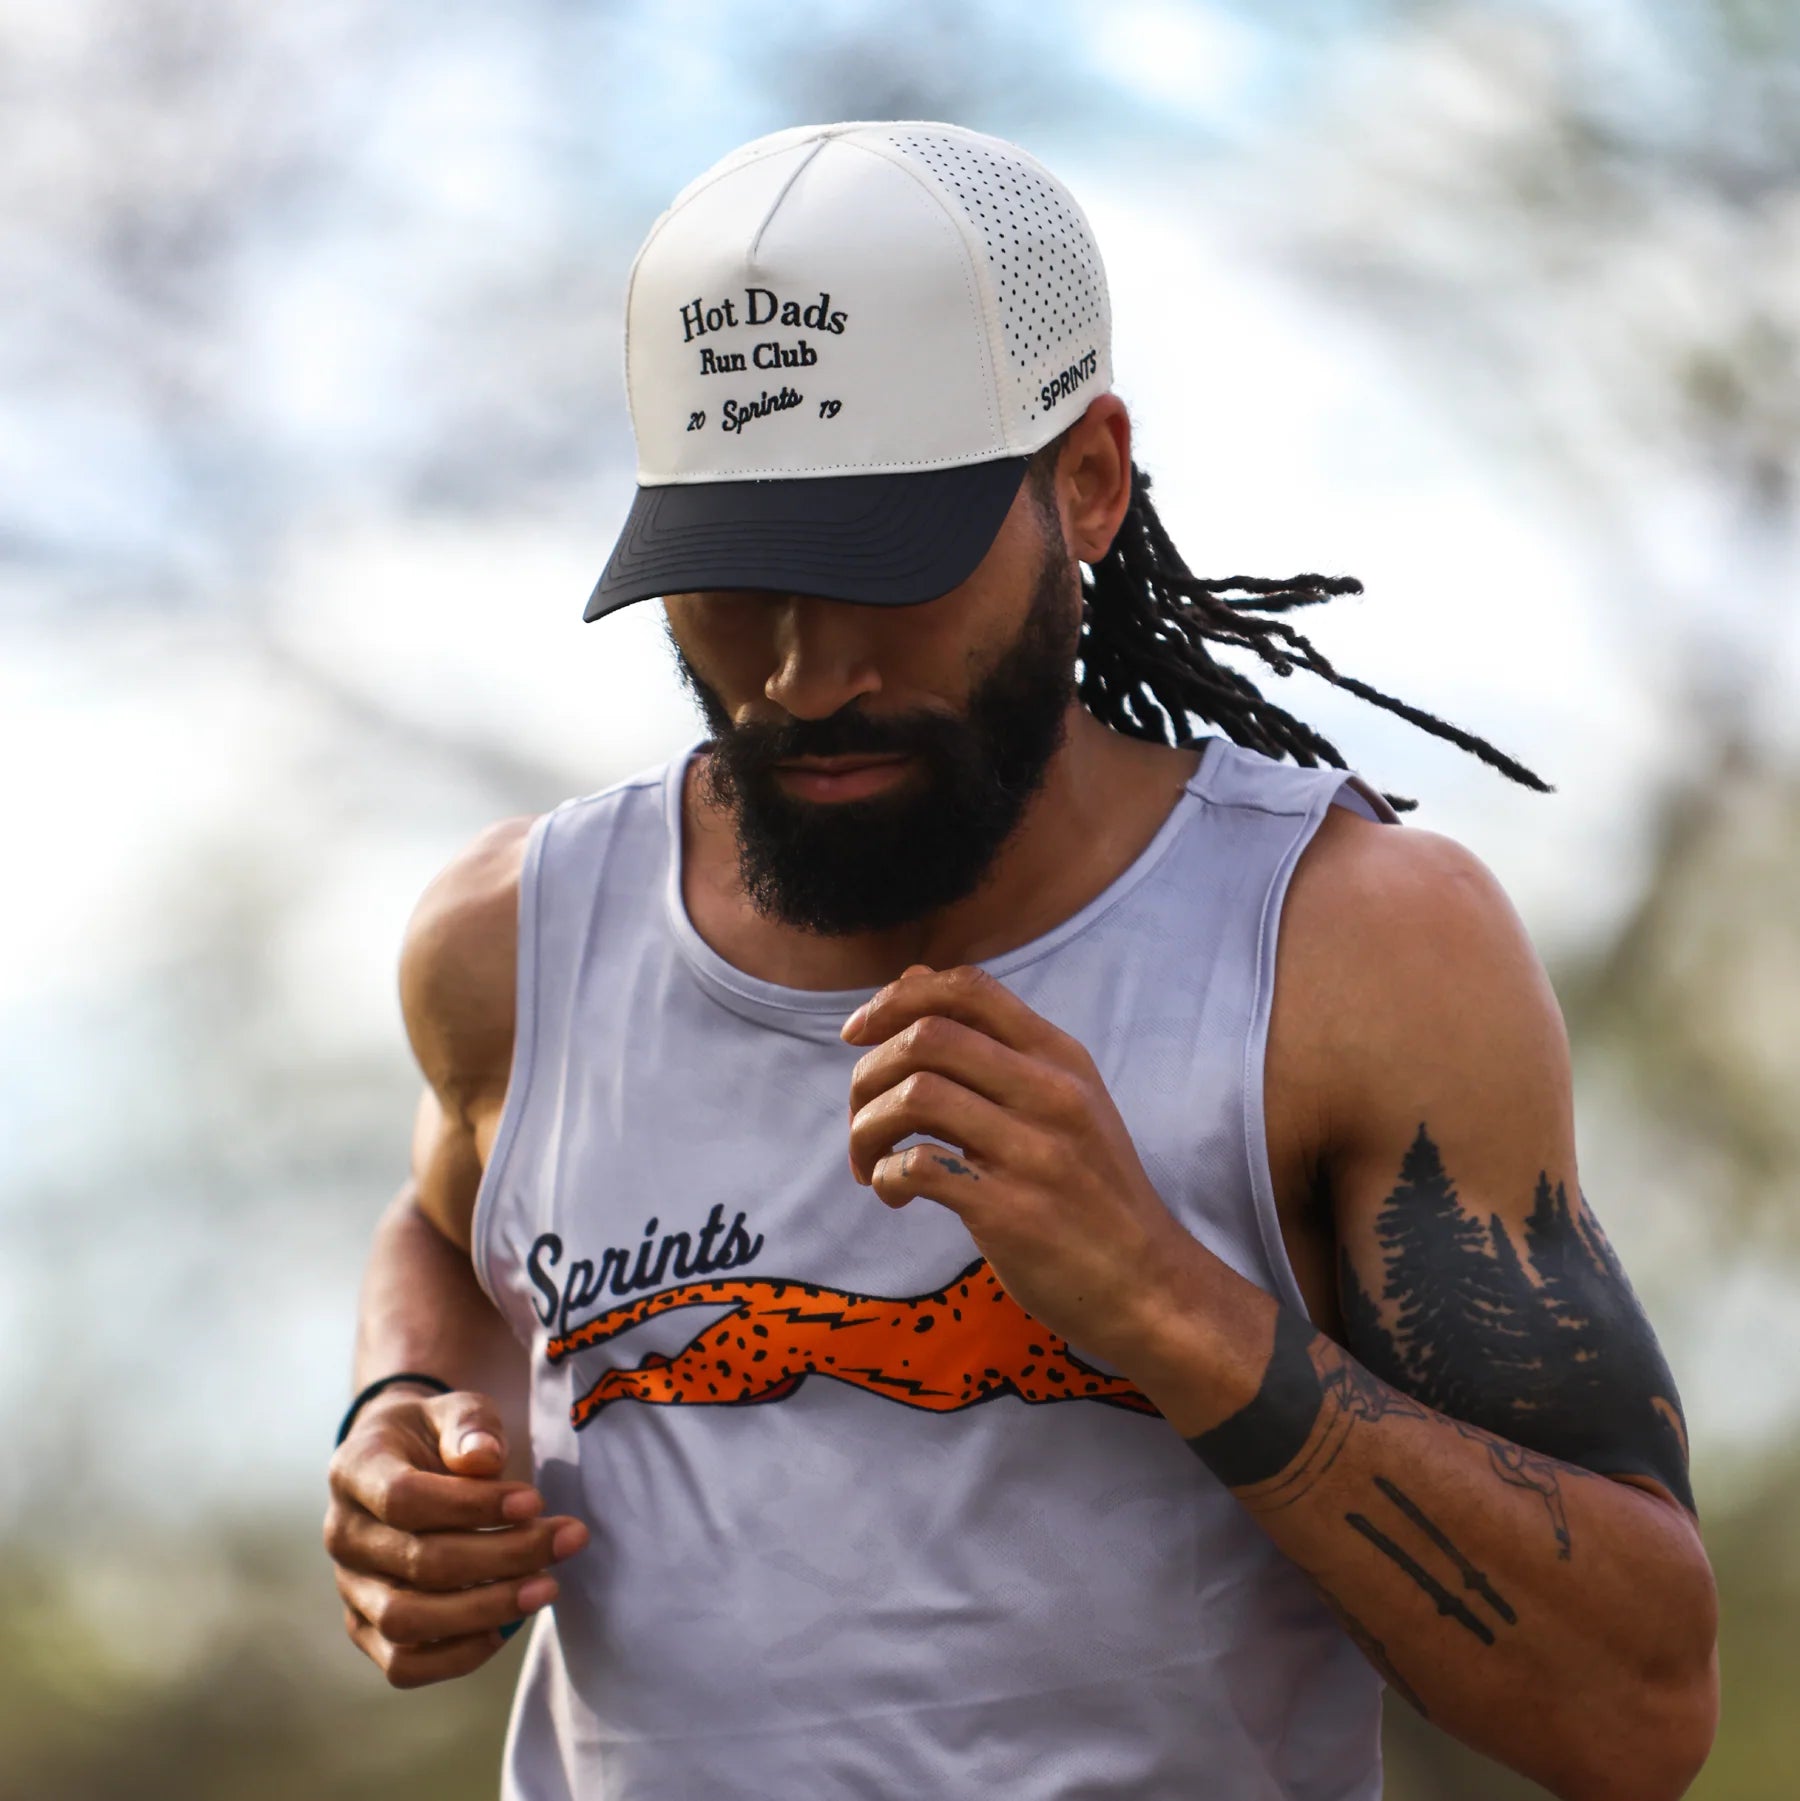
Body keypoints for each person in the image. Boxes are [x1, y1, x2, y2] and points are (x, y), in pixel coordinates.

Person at [322, 122, 1717, 1799]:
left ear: (1088, 483)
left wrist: (1169, 1304)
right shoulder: (517, 945)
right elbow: (447, 1215)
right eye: (737, 581)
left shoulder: (1347, 950)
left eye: (884, 567)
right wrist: (404, 1412)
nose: (804, 675)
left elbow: (1637, 1713)